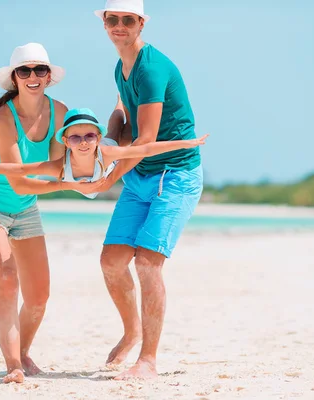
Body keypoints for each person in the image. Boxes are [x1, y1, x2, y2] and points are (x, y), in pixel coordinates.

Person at [90, 0, 206, 380]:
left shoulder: (152, 68)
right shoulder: (122, 66)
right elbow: (122, 111)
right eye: (112, 19)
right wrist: (108, 135)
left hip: (174, 176)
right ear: (104, 23)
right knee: (111, 261)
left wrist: (107, 176)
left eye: (127, 20)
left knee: (146, 263)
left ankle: (148, 360)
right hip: (140, 176)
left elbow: (146, 140)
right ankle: (131, 330)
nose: (119, 26)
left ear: (141, 24)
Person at [0, 42, 79, 384]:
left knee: (39, 296)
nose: (32, 76)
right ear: (14, 77)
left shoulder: (60, 112)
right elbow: (21, 183)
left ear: (48, 77)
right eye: (24, 70)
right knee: (8, 279)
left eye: (39, 70)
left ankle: (23, 353)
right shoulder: (3, 117)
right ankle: (13, 364)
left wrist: (84, 173)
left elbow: (59, 168)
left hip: (25, 210)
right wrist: (72, 185)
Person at [0, 108, 208, 199]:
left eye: (89, 136)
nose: (83, 142)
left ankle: (120, 104)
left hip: (109, 159)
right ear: (66, 141)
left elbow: (146, 149)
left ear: (95, 138)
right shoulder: (59, 167)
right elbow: (21, 170)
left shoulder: (104, 151)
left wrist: (186, 143)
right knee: (119, 135)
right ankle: (118, 107)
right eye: (76, 138)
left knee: (123, 133)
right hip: (90, 175)